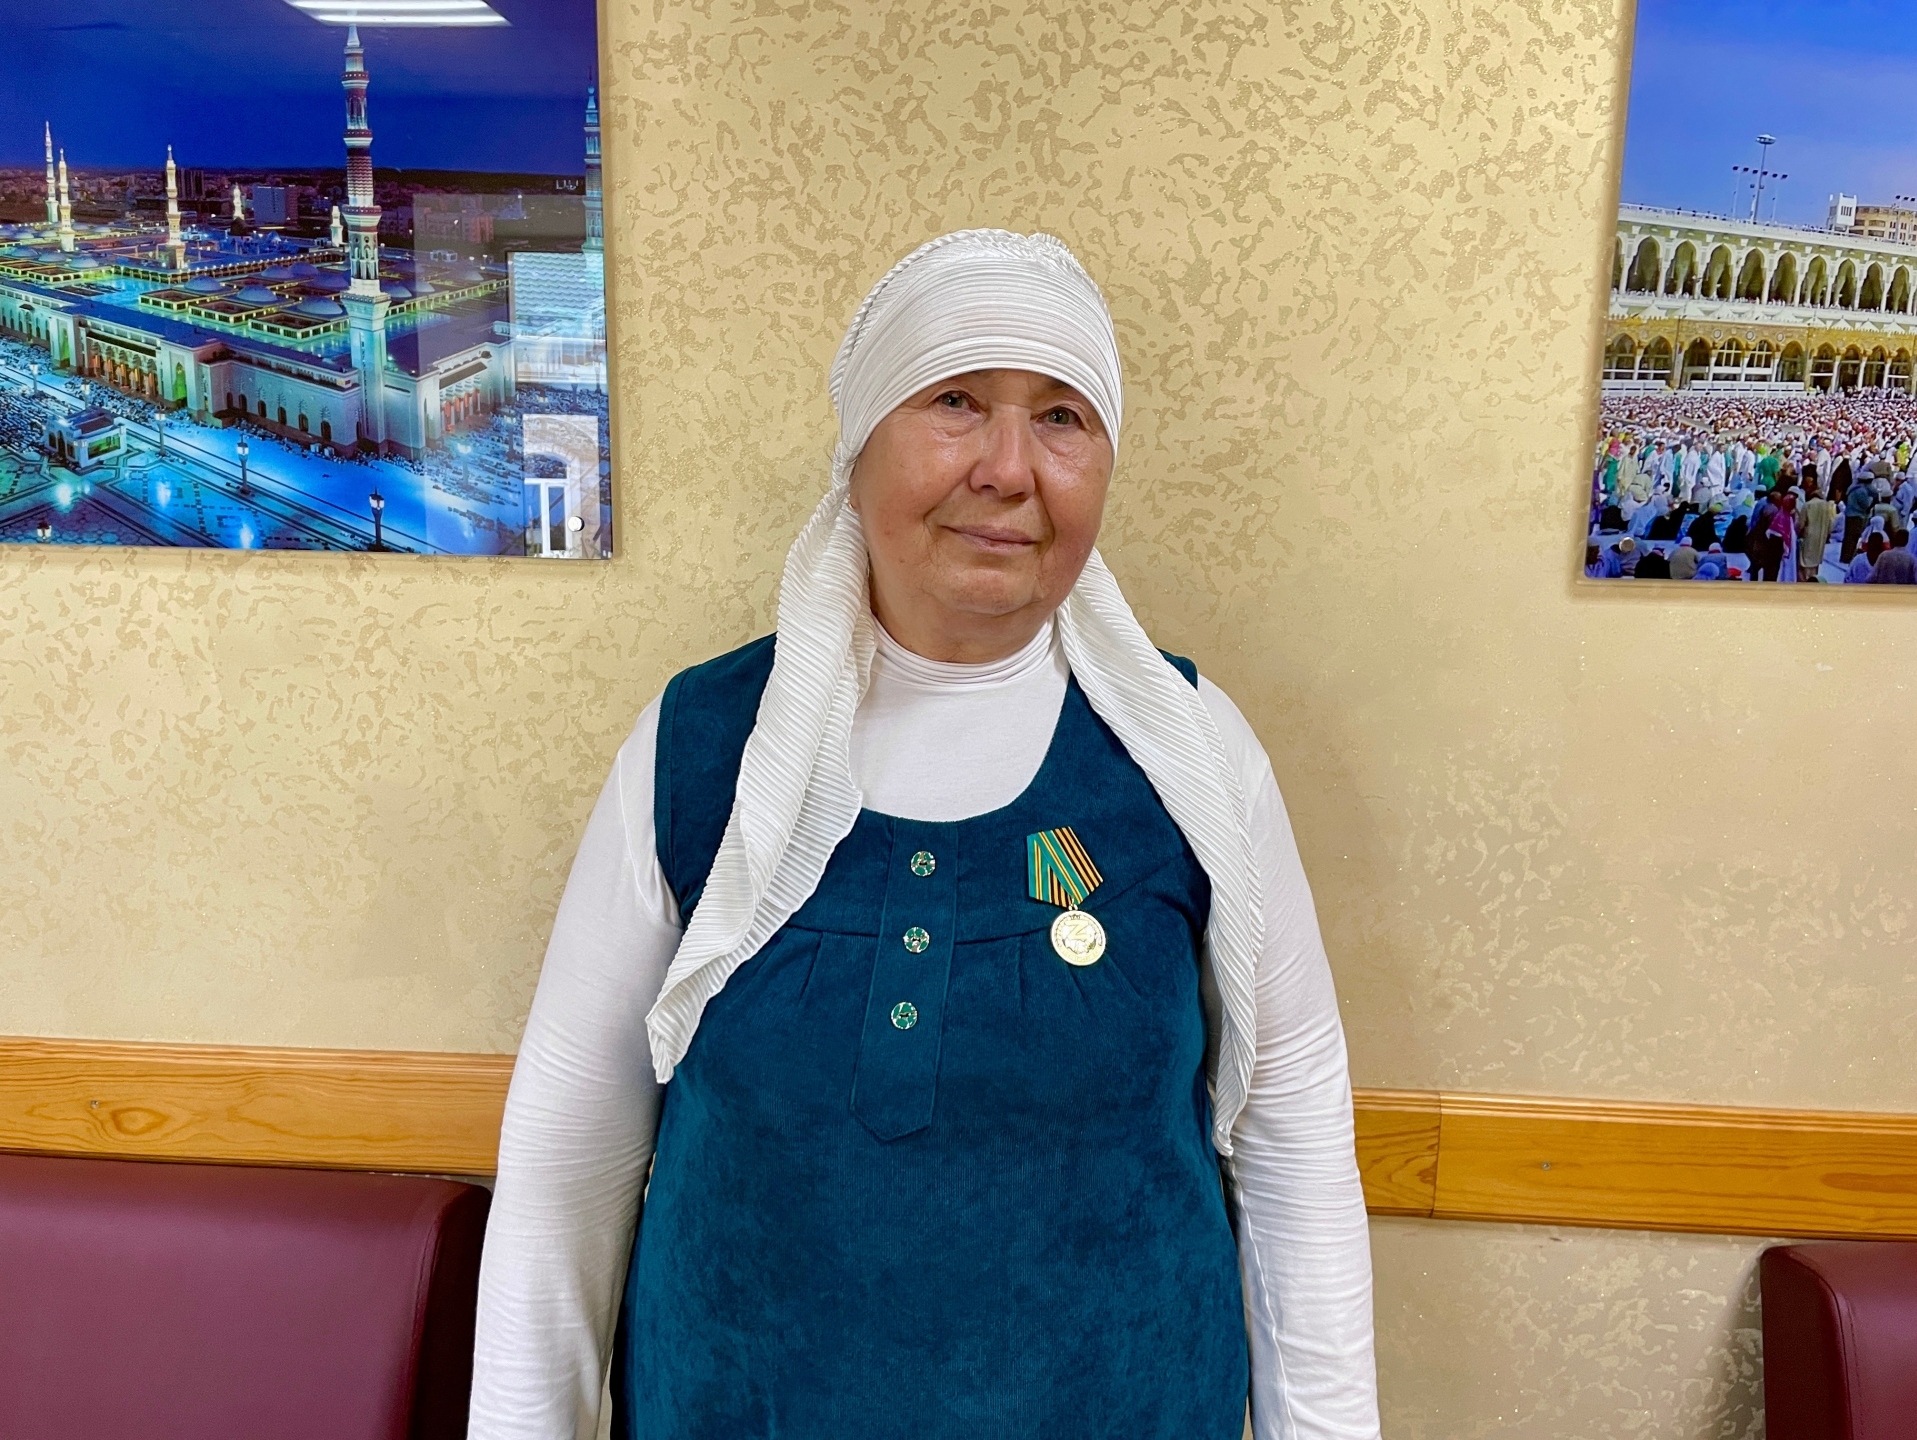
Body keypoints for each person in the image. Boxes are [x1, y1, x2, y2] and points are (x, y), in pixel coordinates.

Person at [467, 231, 1380, 1440]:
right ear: (860, 446)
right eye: (955, 402)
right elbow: (567, 1163)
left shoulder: (1192, 754)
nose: (1009, 468)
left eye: (1061, 418)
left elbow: (1293, 1139)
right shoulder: (696, 750)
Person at [1800, 476, 1837, 582]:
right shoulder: (1826, 506)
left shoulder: (1807, 505)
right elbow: (1831, 524)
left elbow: (1801, 524)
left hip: (1808, 538)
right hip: (1821, 538)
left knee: (1806, 563)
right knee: (1815, 563)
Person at [1843, 467, 1875, 563]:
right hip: (1857, 516)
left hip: (1849, 514)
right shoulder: (1862, 491)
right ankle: (1849, 557)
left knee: (1848, 537)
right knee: (1853, 538)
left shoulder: (1852, 488)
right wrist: (1871, 500)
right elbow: (1865, 505)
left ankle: (1845, 556)